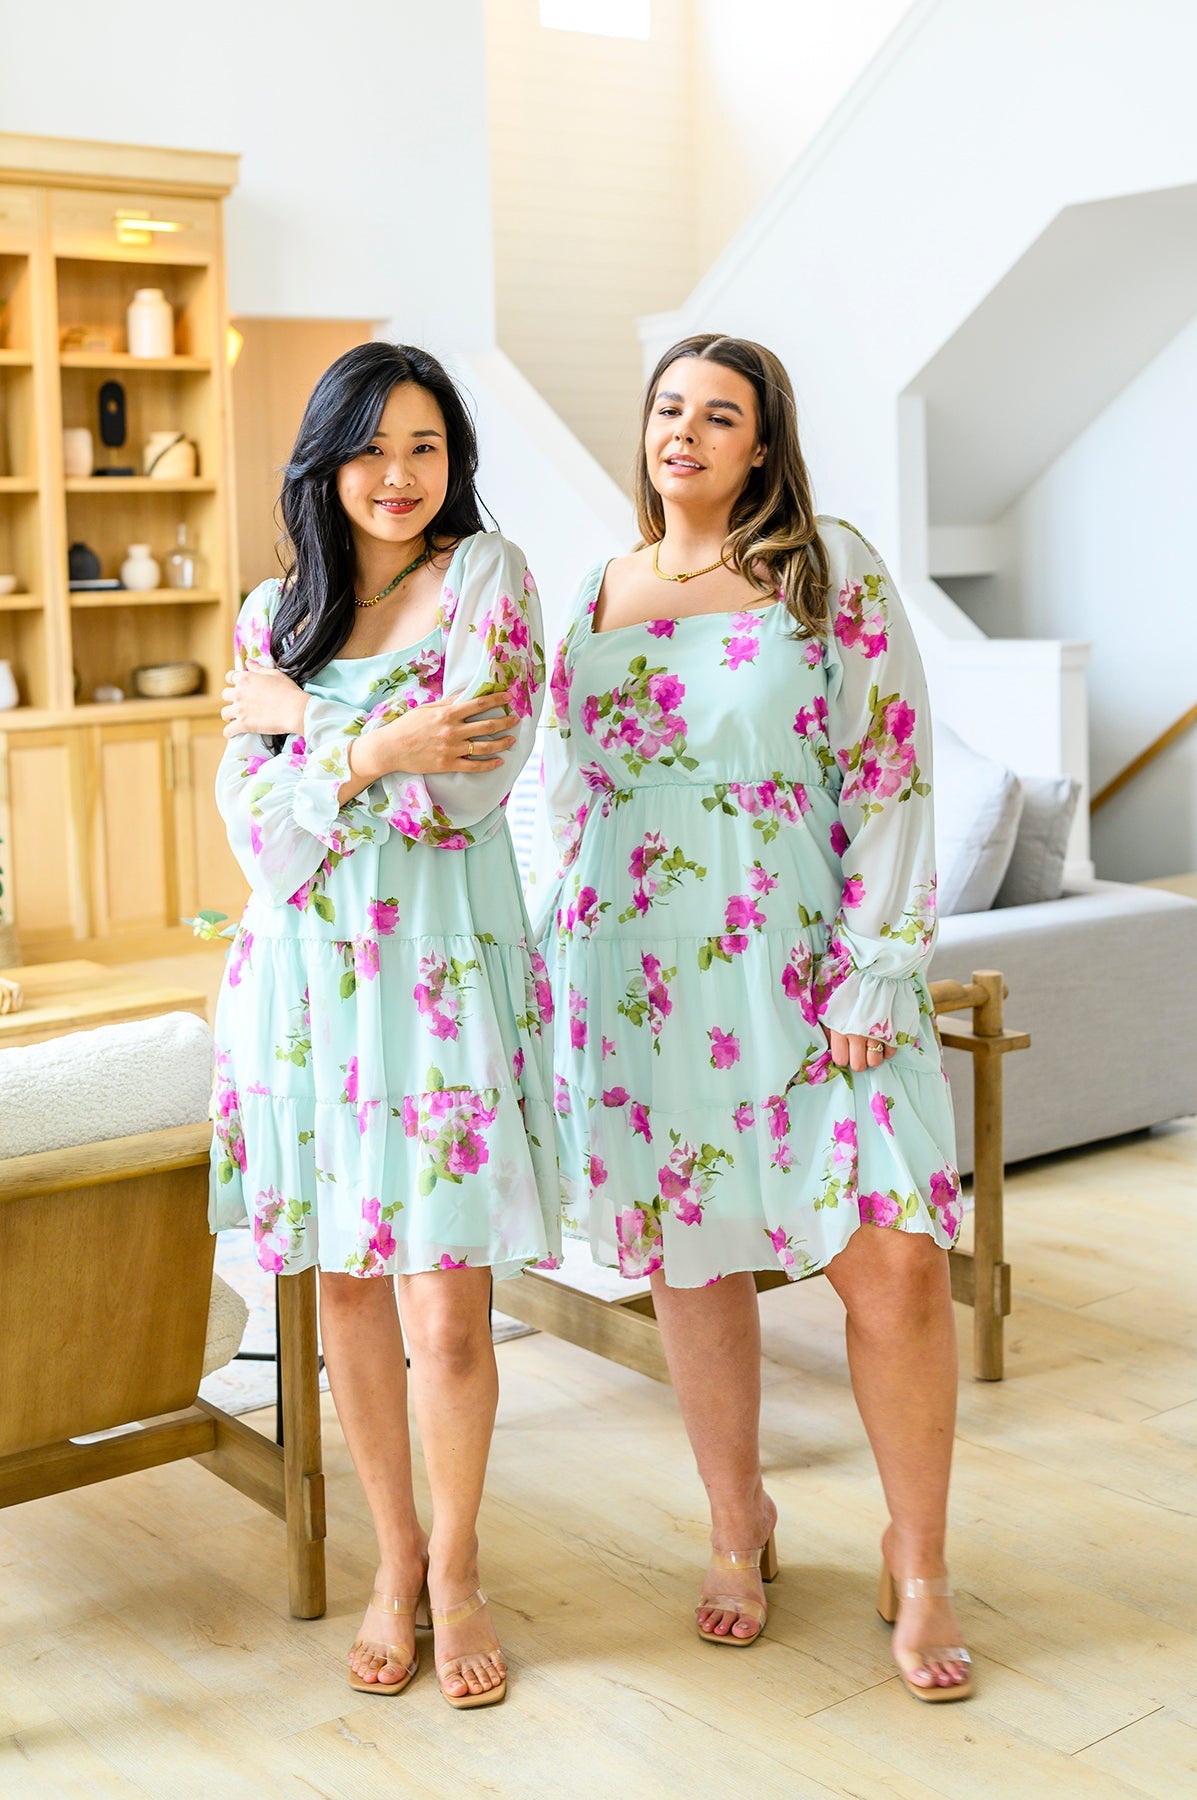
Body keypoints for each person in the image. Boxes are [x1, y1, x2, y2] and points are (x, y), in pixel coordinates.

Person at [535, 332, 971, 1701]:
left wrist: (872, 967)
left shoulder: (821, 568)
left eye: (718, 416)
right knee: (691, 1261)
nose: (684, 432)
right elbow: (569, 794)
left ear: (761, 446)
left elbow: (890, 769)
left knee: (892, 1260)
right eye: (667, 407)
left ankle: (920, 1553)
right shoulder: (596, 590)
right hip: (637, 976)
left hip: (801, 966)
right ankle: (739, 1525)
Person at [213, 341, 559, 1710]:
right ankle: (395, 1562)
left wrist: (313, 738)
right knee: (346, 1289)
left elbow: (466, 790)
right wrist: (363, 745)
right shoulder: (267, 613)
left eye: (425, 446)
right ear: (325, 460)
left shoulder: (490, 579)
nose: (399, 475)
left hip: (436, 975)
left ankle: (463, 1567)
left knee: (447, 1310)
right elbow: (263, 846)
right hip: (304, 986)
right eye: (371, 448)